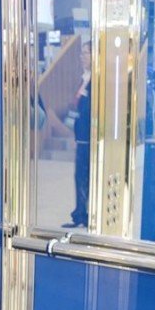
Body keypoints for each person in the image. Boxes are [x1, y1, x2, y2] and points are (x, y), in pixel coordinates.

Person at [63, 41, 92, 228]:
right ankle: (80, 213)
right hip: (81, 137)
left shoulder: (95, 81)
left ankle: (84, 214)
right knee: (79, 176)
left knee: (84, 176)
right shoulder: (84, 79)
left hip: (88, 138)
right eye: (81, 53)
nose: (82, 57)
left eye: (86, 53)